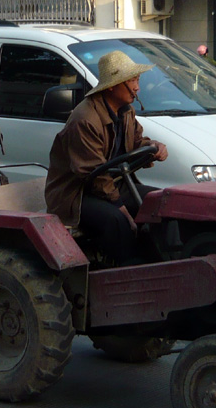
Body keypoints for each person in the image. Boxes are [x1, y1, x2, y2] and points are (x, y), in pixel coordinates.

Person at [44, 51, 168, 265]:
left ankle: (163, 261)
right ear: (112, 85)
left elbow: (136, 143)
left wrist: (153, 147)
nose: (137, 87)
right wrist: (122, 208)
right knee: (117, 221)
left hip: (112, 185)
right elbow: (93, 173)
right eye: (131, 80)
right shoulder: (85, 119)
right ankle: (127, 271)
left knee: (162, 201)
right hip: (76, 194)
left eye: (137, 79)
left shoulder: (126, 112)